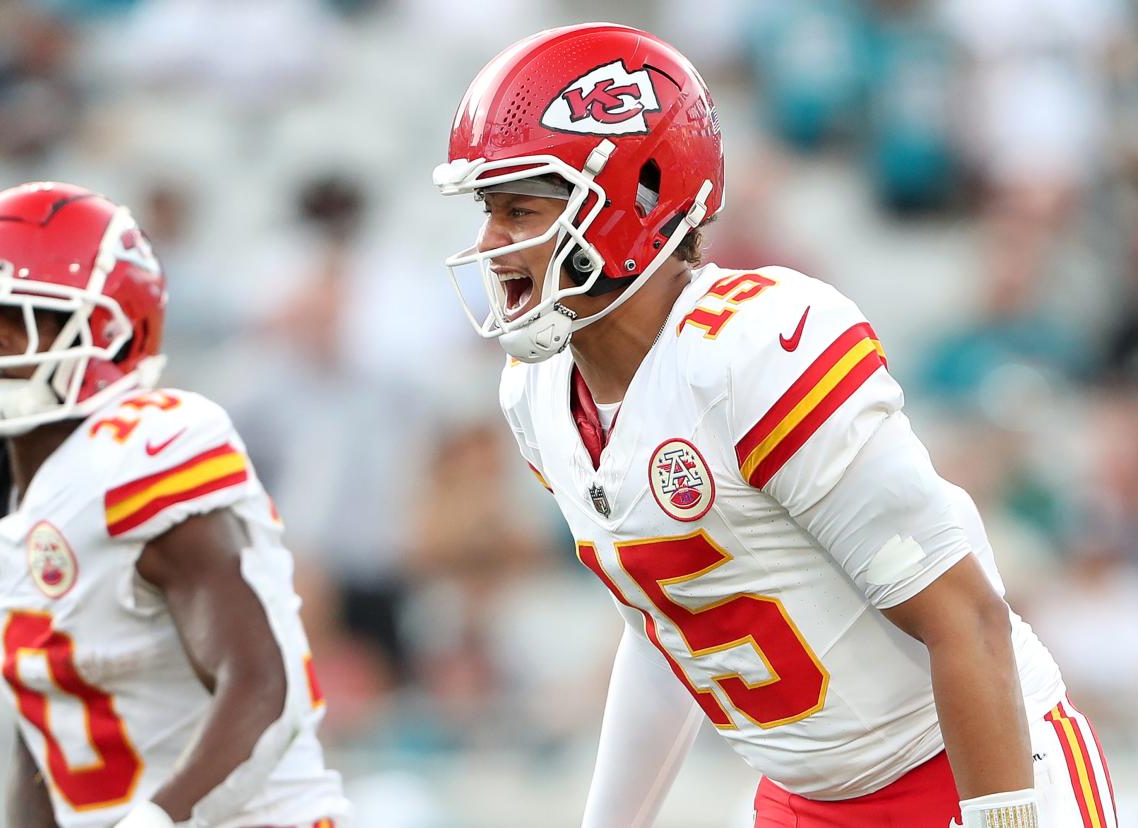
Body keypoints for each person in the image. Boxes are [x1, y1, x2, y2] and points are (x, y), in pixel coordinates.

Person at [433, 23, 1117, 828]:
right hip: (805, 802)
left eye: (519, 208)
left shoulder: (752, 353)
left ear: (637, 203)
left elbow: (964, 616)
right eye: (489, 209)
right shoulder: (540, 393)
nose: (490, 244)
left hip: (969, 765)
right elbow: (670, 632)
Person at [0, 182, 351, 828]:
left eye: (19, 315)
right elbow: (42, 728)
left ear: (111, 330)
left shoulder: (148, 454)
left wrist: (151, 822)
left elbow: (261, 689)